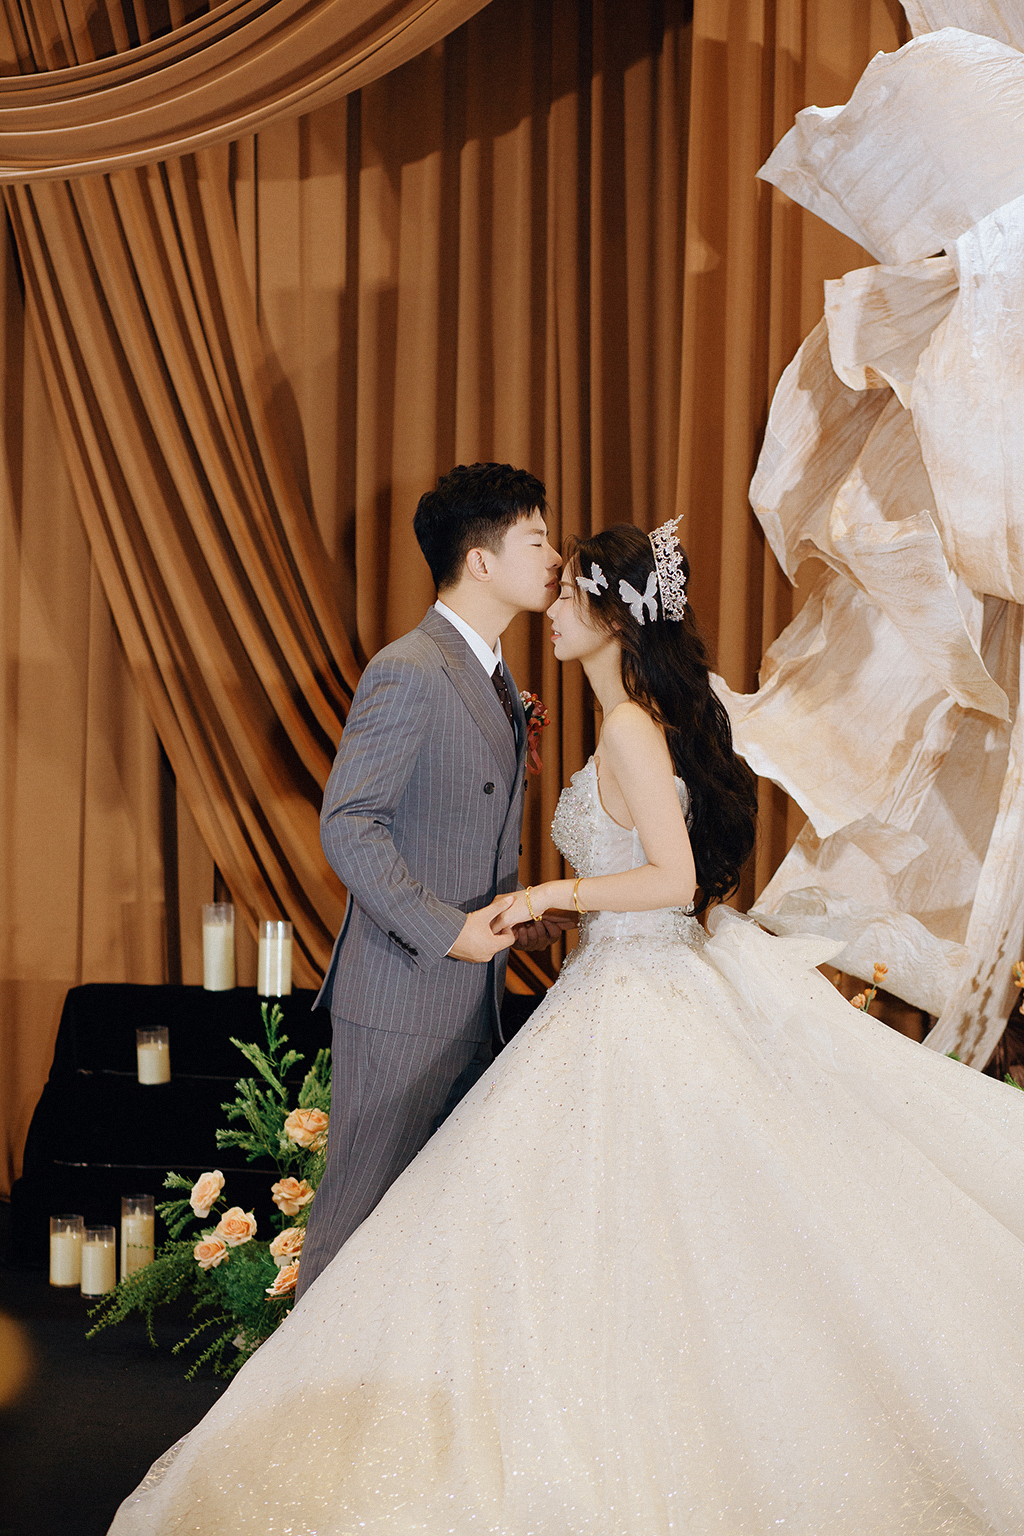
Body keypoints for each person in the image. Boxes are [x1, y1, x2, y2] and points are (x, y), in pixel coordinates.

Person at [111, 521, 1024, 1535]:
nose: (553, 606)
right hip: (612, 983)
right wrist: (564, 911)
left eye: (572, 594)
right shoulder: (620, 722)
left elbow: (673, 879)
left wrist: (559, 889)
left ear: (614, 617)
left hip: (635, 999)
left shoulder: (630, 725)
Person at [296, 462, 568, 1300]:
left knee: (427, 1241)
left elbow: (460, 832)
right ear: (480, 561)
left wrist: (516, 917)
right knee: (355, 1227)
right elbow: (348, 822)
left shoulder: (492, 676)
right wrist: (449, 929)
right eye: (537, 540)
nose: (556, 557)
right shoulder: (411, 667)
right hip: (404, 993)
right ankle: (307, 1386)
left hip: (470, 994)